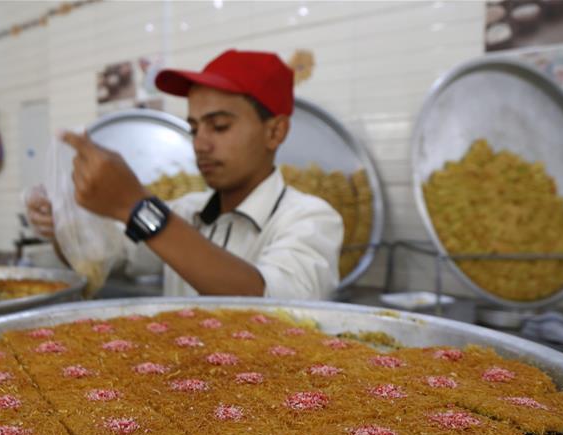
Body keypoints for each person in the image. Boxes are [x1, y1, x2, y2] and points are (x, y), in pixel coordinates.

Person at [27, 49, 343, 299]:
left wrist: (137, 207)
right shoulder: (187, 213)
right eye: (194, 128)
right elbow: (102, 259)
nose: (201, 144)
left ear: (275, 132)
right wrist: (63, 224)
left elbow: (272, 304)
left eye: (219, 126)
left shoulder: (310, 220)